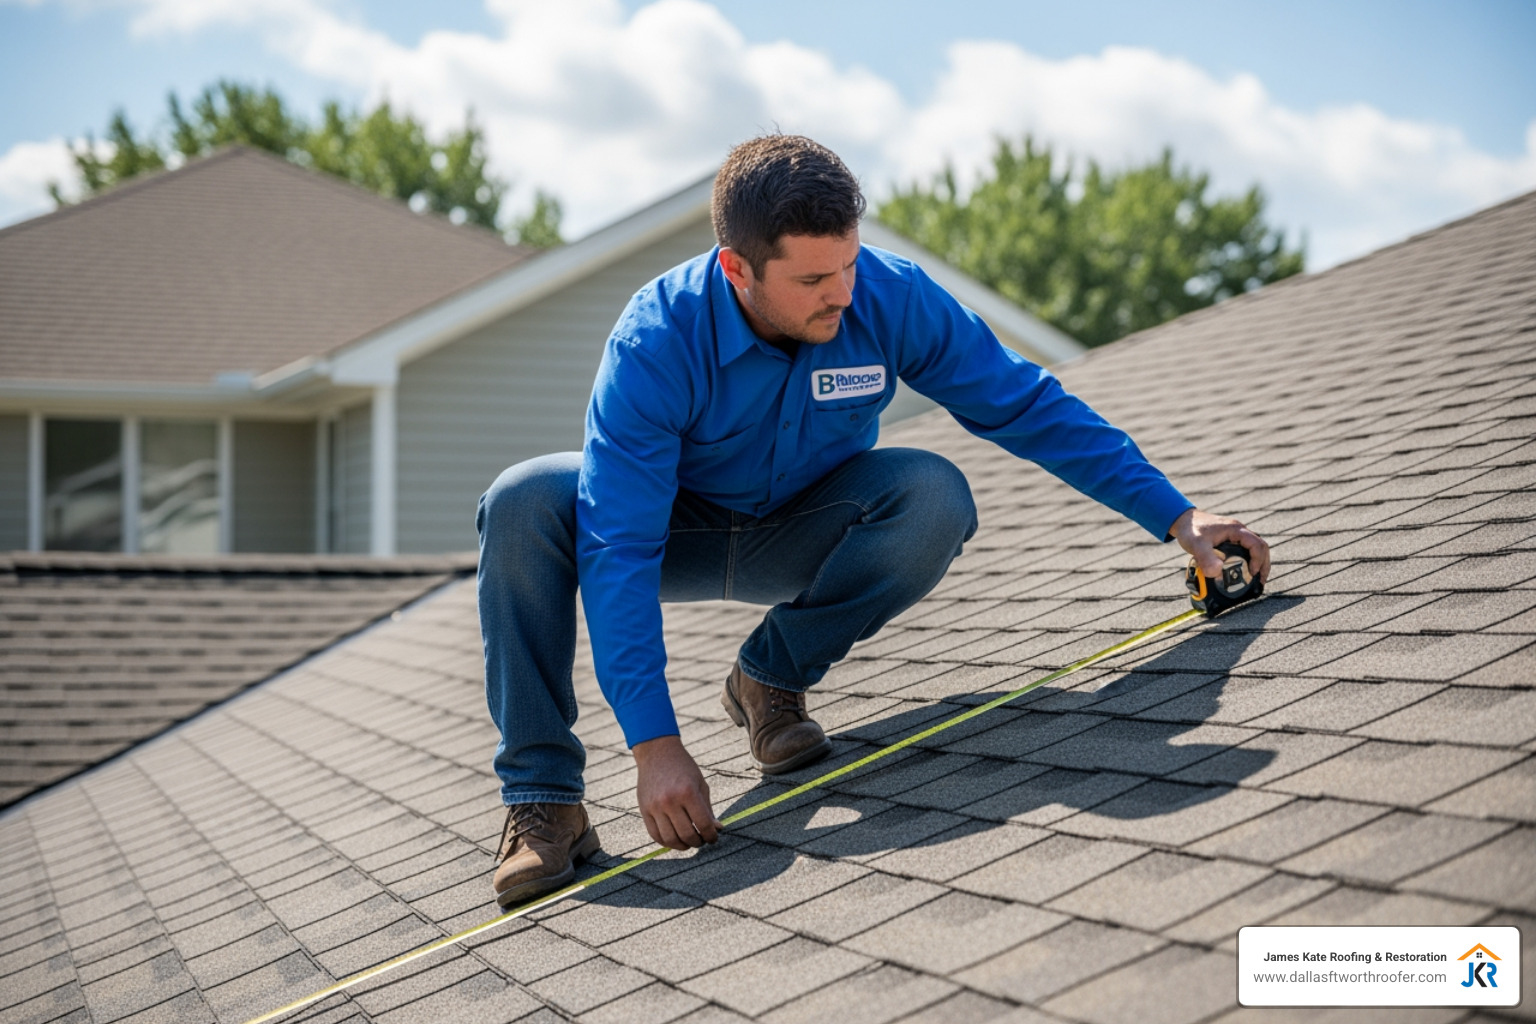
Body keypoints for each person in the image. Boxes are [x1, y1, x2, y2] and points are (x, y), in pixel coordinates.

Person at [477, 134, 1270, 908]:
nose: (843, 293)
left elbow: (1023, 403)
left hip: (802, 526)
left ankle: (769, 681)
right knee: (522, 501)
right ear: (736, 268)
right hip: (670, 536)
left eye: (850, 263)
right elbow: (620, 544)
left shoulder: (889, 296)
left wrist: (1176, 515)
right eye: (816, 277)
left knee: (933, 494)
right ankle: (546, 800)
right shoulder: (656, 339)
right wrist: (655, 744)